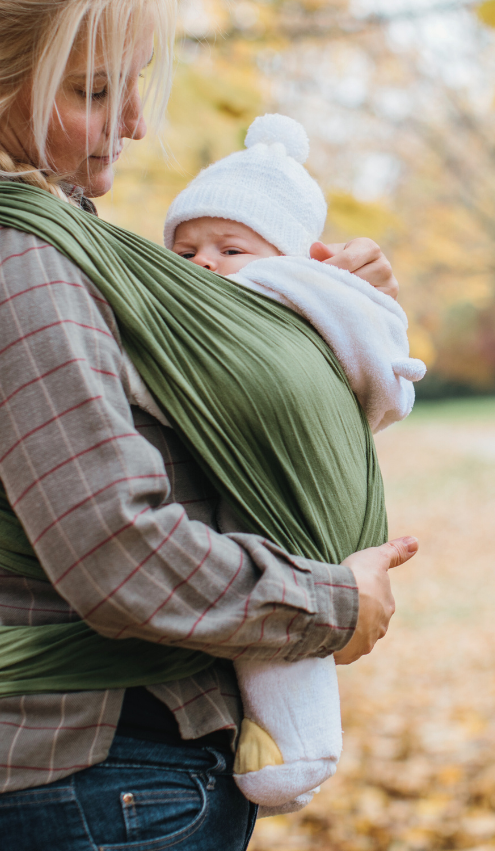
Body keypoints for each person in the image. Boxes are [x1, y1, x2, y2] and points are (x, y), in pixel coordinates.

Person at [0, 0, 417, 851]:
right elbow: (114, 549)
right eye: (91, 91)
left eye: (133, 80)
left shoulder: (29, 241)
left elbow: (200, 411)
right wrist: (330, 603)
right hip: (81, 784)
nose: (133, 122)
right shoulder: (9, 261)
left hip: (85, 788)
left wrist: (315, 310)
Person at [163, 112, 427, 813]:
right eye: (185, 251)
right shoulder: (194, 311)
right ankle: (285, 748)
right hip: (256, 497)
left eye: (230, 247)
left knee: (278, 606)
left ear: (289, 258)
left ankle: (297, 751)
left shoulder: (286, 300)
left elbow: (371, 372)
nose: (206, 265)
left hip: (286, 498)